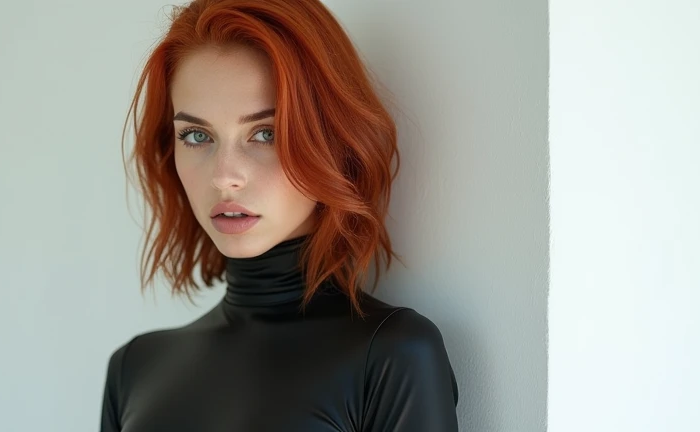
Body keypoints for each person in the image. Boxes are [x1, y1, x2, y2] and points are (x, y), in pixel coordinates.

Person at [100, 0, 460, 430]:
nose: (224, 177)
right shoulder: (134, 368)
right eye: (196, 135)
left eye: (265, 133)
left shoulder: (392, 355)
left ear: (332, 140)